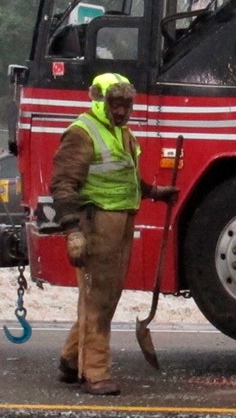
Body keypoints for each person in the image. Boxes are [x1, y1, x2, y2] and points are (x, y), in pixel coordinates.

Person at [49, 73, 178, 396]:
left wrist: (155, 192)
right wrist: (72, 232)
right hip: (96, 223)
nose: (121, 111)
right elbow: (63, 184)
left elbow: (127, 178)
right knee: (100, 299)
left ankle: (70, 359)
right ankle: (94, 373)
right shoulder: (82, 132)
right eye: (115, 104)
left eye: (126, 104)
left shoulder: (122, 134)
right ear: (99, 100)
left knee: (104, 296)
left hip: (120, 222)